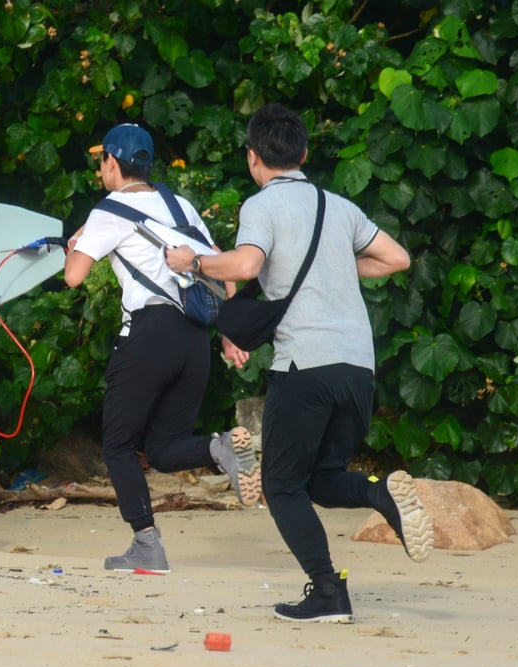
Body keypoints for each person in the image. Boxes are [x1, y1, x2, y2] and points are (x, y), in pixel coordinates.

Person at [166, 103, 433, 622]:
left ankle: (329, 590)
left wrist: (192, 261)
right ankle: (381, 495)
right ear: (305, 153)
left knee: (281, 484)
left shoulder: (262, 206)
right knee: (321, 477)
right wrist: (337, 265)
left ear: (253, 158)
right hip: (358, 369)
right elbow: (397, 258)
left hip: (305, 366)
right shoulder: (339, 205)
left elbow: (245, 265)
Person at [63, 123, 261, 574]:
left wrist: (76, 246)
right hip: (194, 338)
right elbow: (221, 269)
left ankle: (147, 544)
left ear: (112, 162)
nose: (99, 169)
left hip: (149, 333)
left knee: (116, 445)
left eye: (101, 161)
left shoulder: (108, 211)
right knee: (166, 445)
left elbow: (74, 275)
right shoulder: (180, 204)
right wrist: (229, 334)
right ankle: (220, 448)